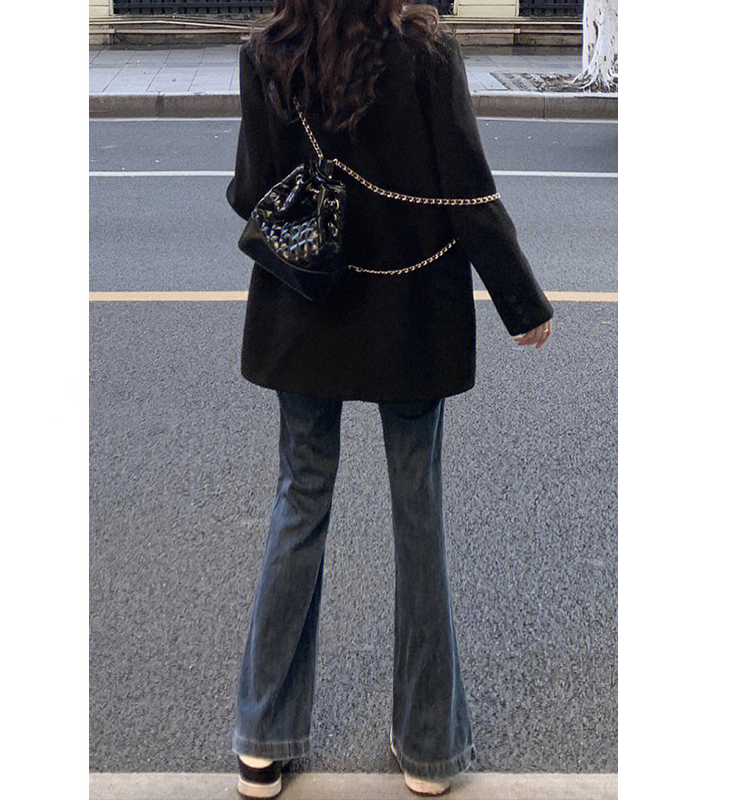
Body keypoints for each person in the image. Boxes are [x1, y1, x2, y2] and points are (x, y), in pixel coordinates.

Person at [226, 1, 552, 796]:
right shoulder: (425, 49)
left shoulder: (269, 51)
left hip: (305, 305)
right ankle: (428, 748)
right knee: (417, 512)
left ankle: (263, 739)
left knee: (300, 501)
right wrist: (521, 301)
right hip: (411, 310)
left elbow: (251, 192)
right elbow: (465, 189)